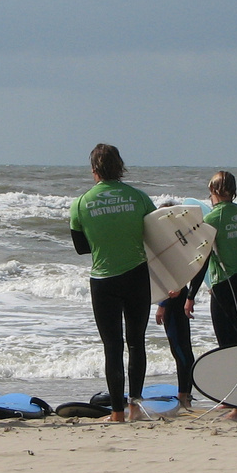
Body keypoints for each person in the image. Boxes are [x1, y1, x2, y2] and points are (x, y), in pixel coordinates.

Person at [70, 143, 155, 423]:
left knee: (112, 347)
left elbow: (81, 248)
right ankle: (136, 408)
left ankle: (116, 413)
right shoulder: (139, 198)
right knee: (136, 343)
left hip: (103, 281)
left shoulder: (81, 203)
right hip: (136, 277)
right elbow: (159, 234)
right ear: (120, 167)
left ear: (94, 170)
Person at [184, 172, 237, 348]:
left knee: (225, 345)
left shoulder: (212, 219)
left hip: (224, 285)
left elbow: (203, 259)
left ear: (214, 190)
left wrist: (191, 296)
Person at [156, 289, 196, 410]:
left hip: (173, 300)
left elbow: (169, 279)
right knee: (184, 349)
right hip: (179, 296)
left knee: (180, 351)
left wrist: (162, 305)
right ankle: (186, 396)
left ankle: (183, 397)